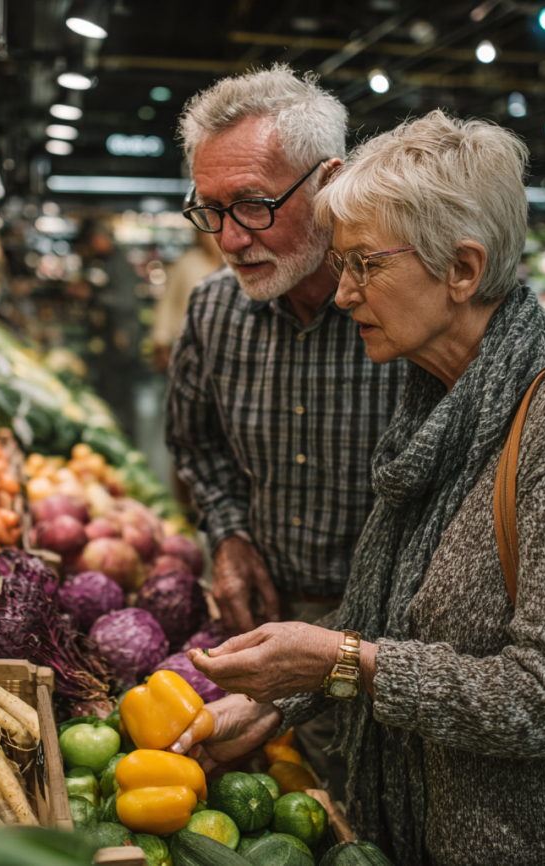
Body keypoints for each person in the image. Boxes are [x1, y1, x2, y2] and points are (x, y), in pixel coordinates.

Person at [172, 111, 545, 866]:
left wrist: (344, 660)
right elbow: (404, 617)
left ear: (463, 270)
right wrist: (280, 700)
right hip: (404, 824)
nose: (342, 295)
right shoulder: (433, 398)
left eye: (365, 266)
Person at [166, 64, 407, 636]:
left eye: (254, 205)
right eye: (211, 210)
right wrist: (227, 536)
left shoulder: (406, 313)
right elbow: (194, 443)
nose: (229, 239)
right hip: (262, 613)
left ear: (329, 180)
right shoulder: (214, 309)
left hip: (397, 632)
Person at [151, 231, 223, 373]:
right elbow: (168, 302)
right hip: (190, 346)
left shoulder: (236, 263)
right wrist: (161, 339)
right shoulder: (187, 262)